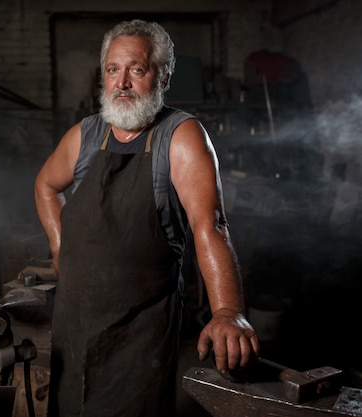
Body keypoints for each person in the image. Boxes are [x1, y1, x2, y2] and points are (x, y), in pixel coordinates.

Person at [34, 19, 260, 417]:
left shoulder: (181, 136)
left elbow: (211, 225)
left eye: (136, 70)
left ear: (163, 75)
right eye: (112, 70)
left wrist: (227, 311)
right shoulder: (85, 135)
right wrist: (59, 247)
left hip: (139, 332)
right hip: (74, 319)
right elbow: (46, 186)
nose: (121, 83)